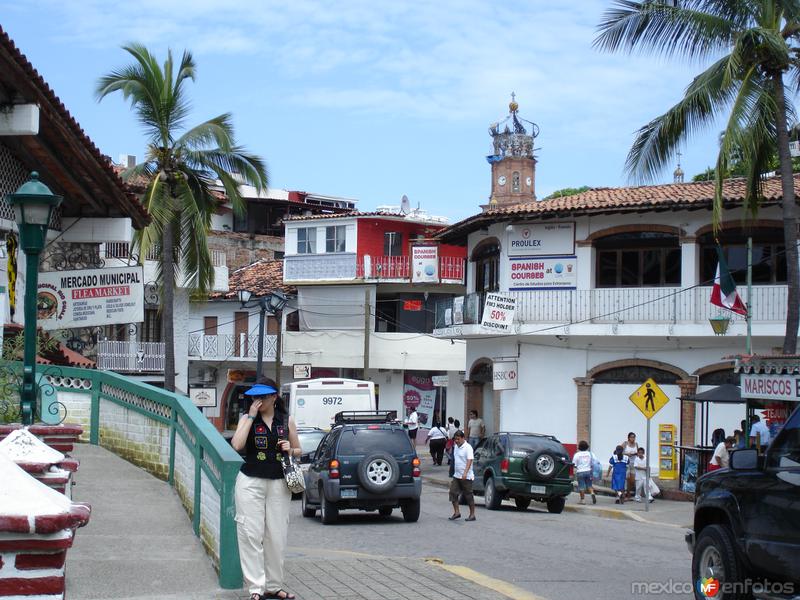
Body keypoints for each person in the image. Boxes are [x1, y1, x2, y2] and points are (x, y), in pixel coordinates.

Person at [231, 380, 300, 600]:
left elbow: (299, 449)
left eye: (262, 396)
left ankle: (274, 586)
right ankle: (255, 588)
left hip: (279, 482)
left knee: (276, 535)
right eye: (254, 397)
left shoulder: (286, 420)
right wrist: (251, 416)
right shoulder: (247, 418)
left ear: (274, 397)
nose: (257, 400)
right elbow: (237, 445)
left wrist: (291, 449)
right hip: (250, 481)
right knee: (250, 533)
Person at [449, 430, 476, 521]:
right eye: (455, 439)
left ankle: (472, 514)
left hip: (466, 476)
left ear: (463, 438)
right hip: (457, 475)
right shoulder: (456, 447)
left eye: (458, 439)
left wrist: (465, 472)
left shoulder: (468, 447)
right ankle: (457, 512)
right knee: (453, 493)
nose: (456, 441)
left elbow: (469, 460)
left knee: (468, 495)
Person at [572, 440, 597, 505]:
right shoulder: (590, 454)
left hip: (580, 472)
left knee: (581, 486)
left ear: (579, 447)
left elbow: (574, 464)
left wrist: (575, 470)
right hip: (588, 471)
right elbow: (595, 461)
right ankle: (592, 493)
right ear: (587, 446)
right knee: (589, 485)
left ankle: (582, 500)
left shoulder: (577, 454)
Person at [621, 432, 638, 499]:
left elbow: (638, 453)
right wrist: (627, 454)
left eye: (634, 437)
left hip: (634, 463)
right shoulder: (625, 443)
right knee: (627, 479)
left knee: (632, 480)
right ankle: (627, 494)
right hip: (626, 463)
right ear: (628, 438)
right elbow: (619, 451)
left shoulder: (636, 444)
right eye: (631, 437)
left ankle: (628, 492)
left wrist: (636, 454)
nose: (633, 438)